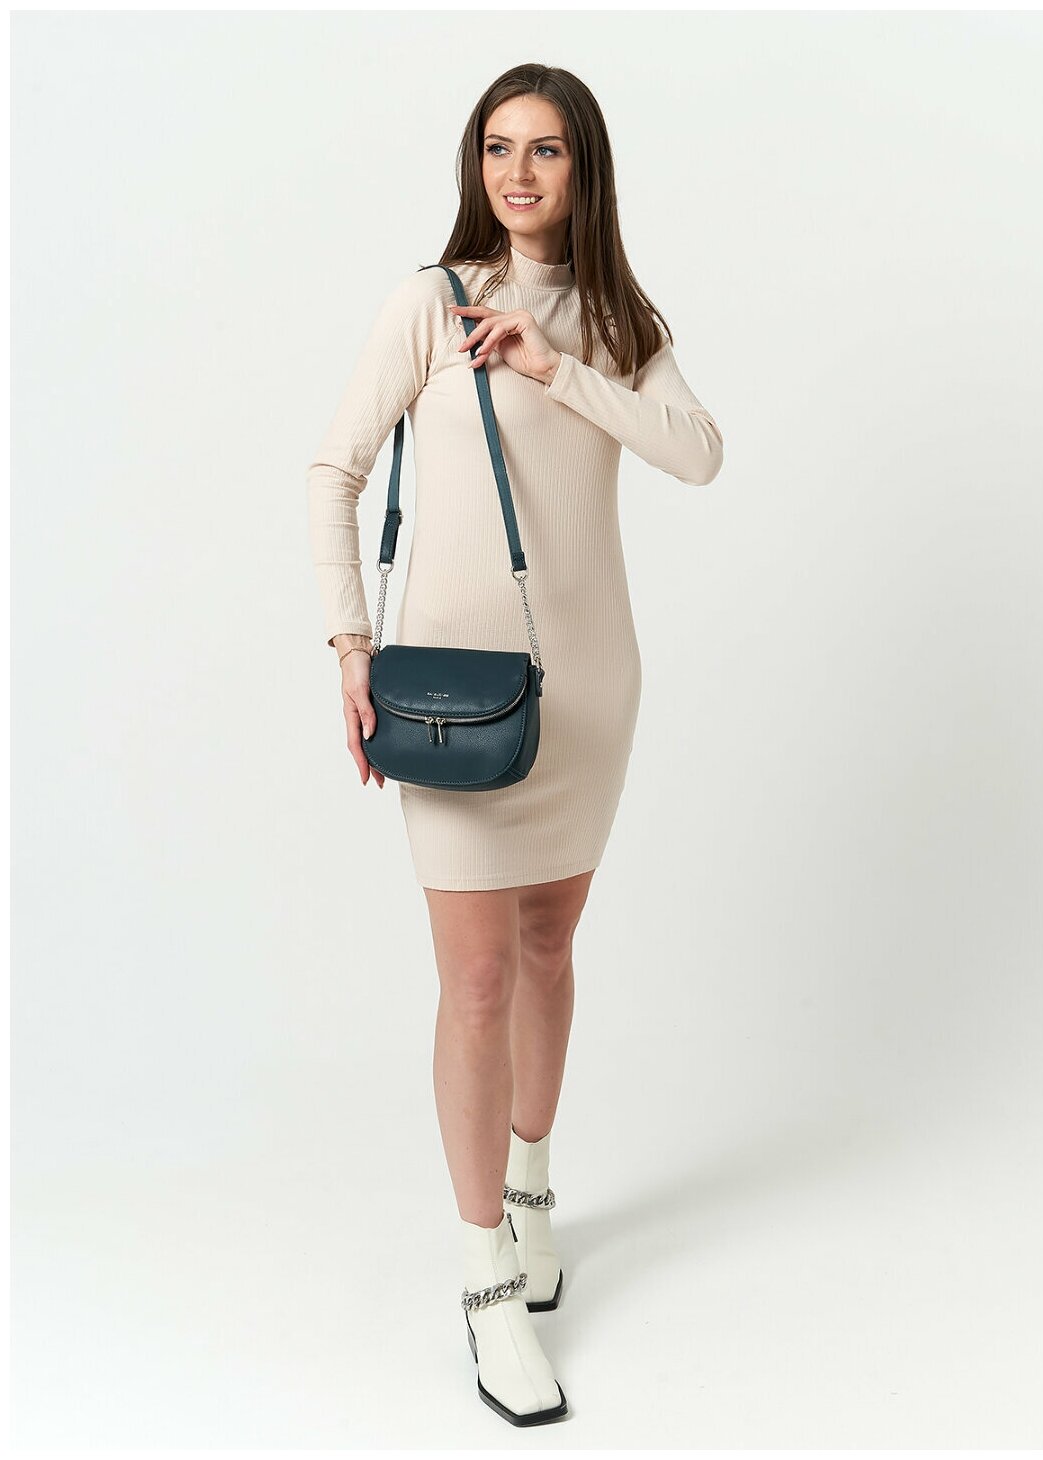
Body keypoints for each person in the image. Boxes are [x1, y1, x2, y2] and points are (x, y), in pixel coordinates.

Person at [306, 63, 723, 1427]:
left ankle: (535, 1189)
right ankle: (487, 1278)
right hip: (449, 698)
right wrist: (351, 647)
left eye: (546, 150)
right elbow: (334, 471)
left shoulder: (615, 320)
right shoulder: (428, 305)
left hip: (591, 686)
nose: (520, 174)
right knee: (476, 979)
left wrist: (559, 368)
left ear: (583, 168)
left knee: (548, 947)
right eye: (498, 148)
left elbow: (699, 451)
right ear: (473, 164)